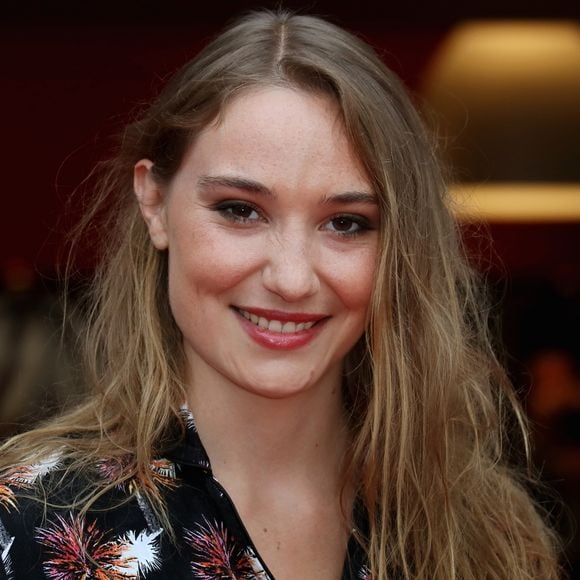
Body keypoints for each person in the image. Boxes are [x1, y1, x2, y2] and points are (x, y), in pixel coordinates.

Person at [0, 10, 560, 579]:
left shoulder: (480, 529)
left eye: (346, 223)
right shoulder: (27, 528)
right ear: (154, 204)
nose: (292, 279)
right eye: (240, 211)